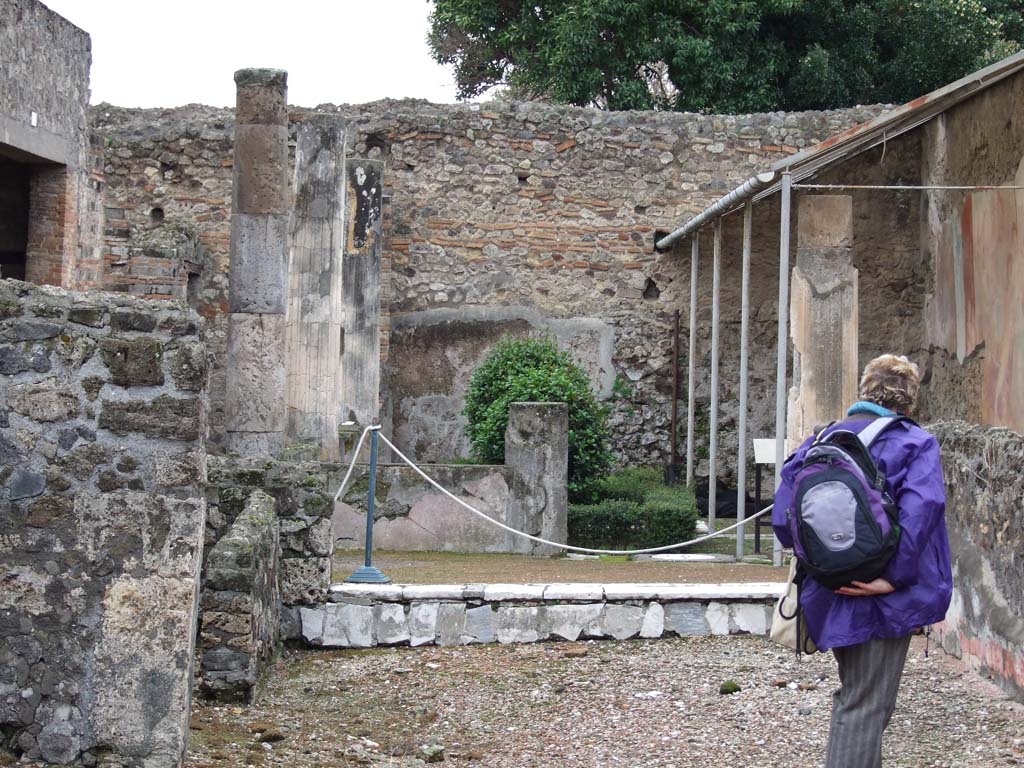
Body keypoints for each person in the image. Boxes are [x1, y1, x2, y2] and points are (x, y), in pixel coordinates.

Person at [772, 354, 953, 768]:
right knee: (865, 704)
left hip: (830, 590)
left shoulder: (821, 441)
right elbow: (923, 510)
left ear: (865, 391)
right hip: (883, 595)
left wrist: (826, 563)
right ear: (908, 402)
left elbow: (785, 517)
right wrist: (893, 578)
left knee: (861, 698)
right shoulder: (913, 442)